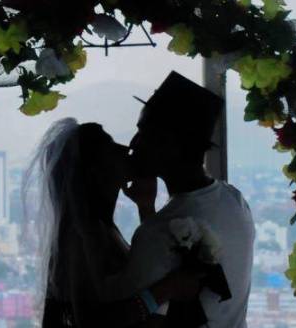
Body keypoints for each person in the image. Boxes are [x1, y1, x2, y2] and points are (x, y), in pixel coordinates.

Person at [24, 118, 204, 328]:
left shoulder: (100, 228)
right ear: (95, 169)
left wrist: (146, 207)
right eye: (111, 147)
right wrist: (167, 289)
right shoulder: (83, 236)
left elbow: (144, 271)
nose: (125, 149)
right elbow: (91, 320)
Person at [122, 71, 256, 328]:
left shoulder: (155, 232)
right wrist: (146, 208)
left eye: (144, 133)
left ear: (170, 144)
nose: (133, 144)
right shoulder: (235, 201)